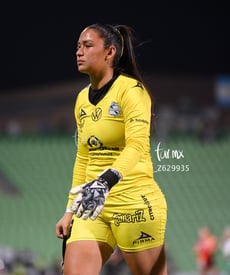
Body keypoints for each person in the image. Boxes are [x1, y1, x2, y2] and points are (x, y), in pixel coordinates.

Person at [55, 23, 168, 275]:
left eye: (87, 46)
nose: (78, 52)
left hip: (134, 202)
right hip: (93, 203)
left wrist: (105, 182)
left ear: (110, 52)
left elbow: (137, 145)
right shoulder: (81, 98)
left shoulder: (132, 91)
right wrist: (69, 210)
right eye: (77, 47)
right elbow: (83, 156)